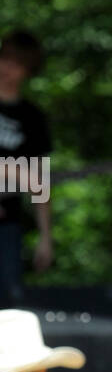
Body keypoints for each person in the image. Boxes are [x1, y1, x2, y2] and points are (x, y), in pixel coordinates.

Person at [0, 32, 53, 306]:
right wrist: (9, 171)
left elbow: (39, 181)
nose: (8, 69)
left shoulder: (32, 118)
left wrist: (45, 237)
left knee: (11, 306)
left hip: (7, 225)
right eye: (5, 59)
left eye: (17, 64)